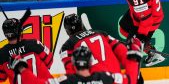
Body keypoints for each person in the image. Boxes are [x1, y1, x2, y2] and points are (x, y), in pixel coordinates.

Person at [60, 13, 142, 84]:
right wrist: (134, 64)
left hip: (92, 79)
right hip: (113, 78)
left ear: (67, 31)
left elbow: (70, 71)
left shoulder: (67, 46)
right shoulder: (100, 33)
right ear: (81, 25)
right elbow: (122, 50)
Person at [9, 44, 142, 84]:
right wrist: (133, 59)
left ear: (73, 62)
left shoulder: (66, 81)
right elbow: (131, 79)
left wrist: (21, 68)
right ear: (90, 62)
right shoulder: (105, 77)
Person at [119, 0, 165, 67]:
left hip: (151, 19)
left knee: (134, 44)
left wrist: (140, 38)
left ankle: (151, 53)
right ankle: (147, 47)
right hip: (141, 12)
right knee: (123, 27)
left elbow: (147, 21)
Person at [0, 18, 54, 84]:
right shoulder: (34, 44)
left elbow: (1, 77)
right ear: (20, 30)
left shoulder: (2, 53)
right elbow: (49, 60)